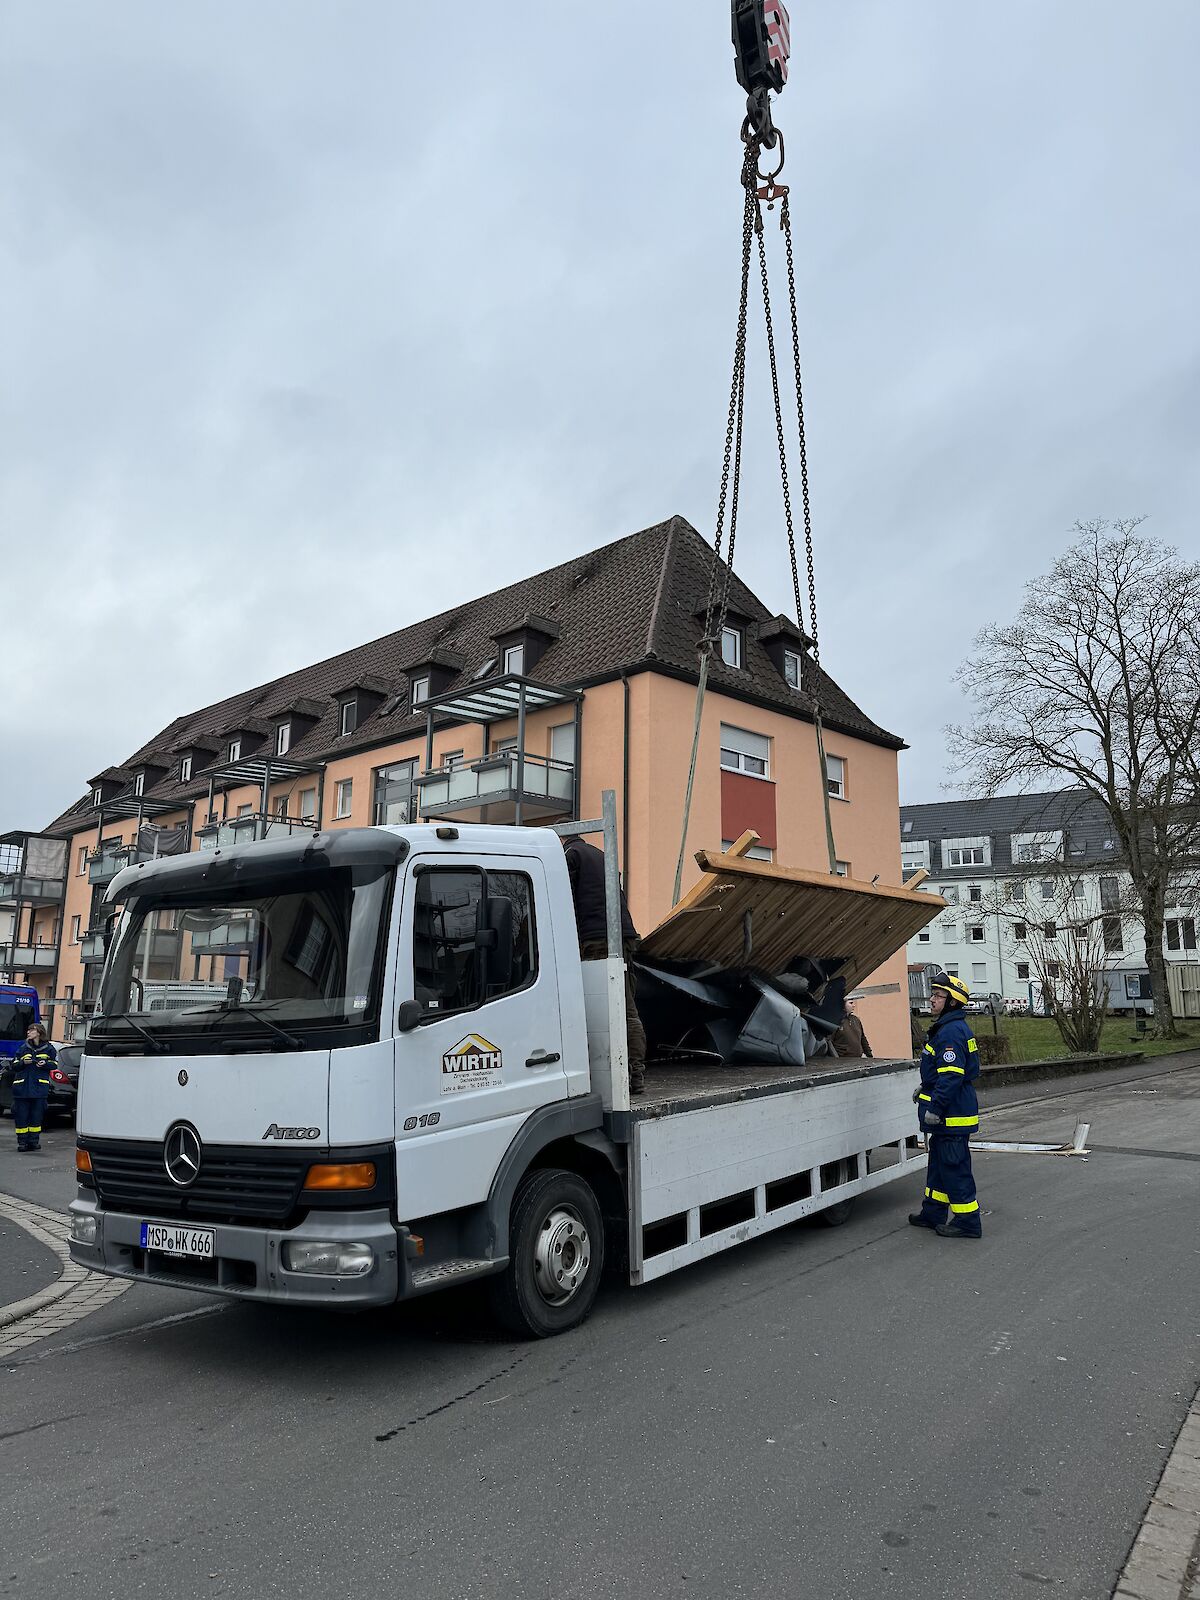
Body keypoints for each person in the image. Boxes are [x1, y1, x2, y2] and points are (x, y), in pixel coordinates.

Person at [562, 836, 648, 1096]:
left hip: (595, 938)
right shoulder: (601, 855)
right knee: (626, 1008)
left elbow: (565, 900)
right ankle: (636, 1074)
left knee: (594, 1007)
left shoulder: (570, 856)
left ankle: (600, 1077)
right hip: (623, 936)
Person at [909, 970, 982, 1239]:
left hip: (950, 1116)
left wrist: (935, 1108)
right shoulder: (949, 1028)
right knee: (939, 1166)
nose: (931, 999)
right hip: (948, 1115)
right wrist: (926, 1087)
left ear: (952, 1001)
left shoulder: (951, 1032)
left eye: (938, 995)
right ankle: (933, 1212)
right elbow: (942, 1073)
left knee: (954, 1167)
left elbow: (951, 1076)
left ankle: (967, 1222)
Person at [11, 1022, 55, 1154]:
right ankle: (22, 1143)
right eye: (28, 1030)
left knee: (36, 1117)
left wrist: (45, 1063)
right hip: (22, 1089)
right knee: (21, 1117)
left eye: (31, 1030)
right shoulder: (23, 1048)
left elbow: (54, 1064)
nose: (28, 1032)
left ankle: (33, 1142)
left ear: (39, 1033)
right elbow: (14, 1065)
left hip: (39, 1089)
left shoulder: (49, 1049)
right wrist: (23, 1062)